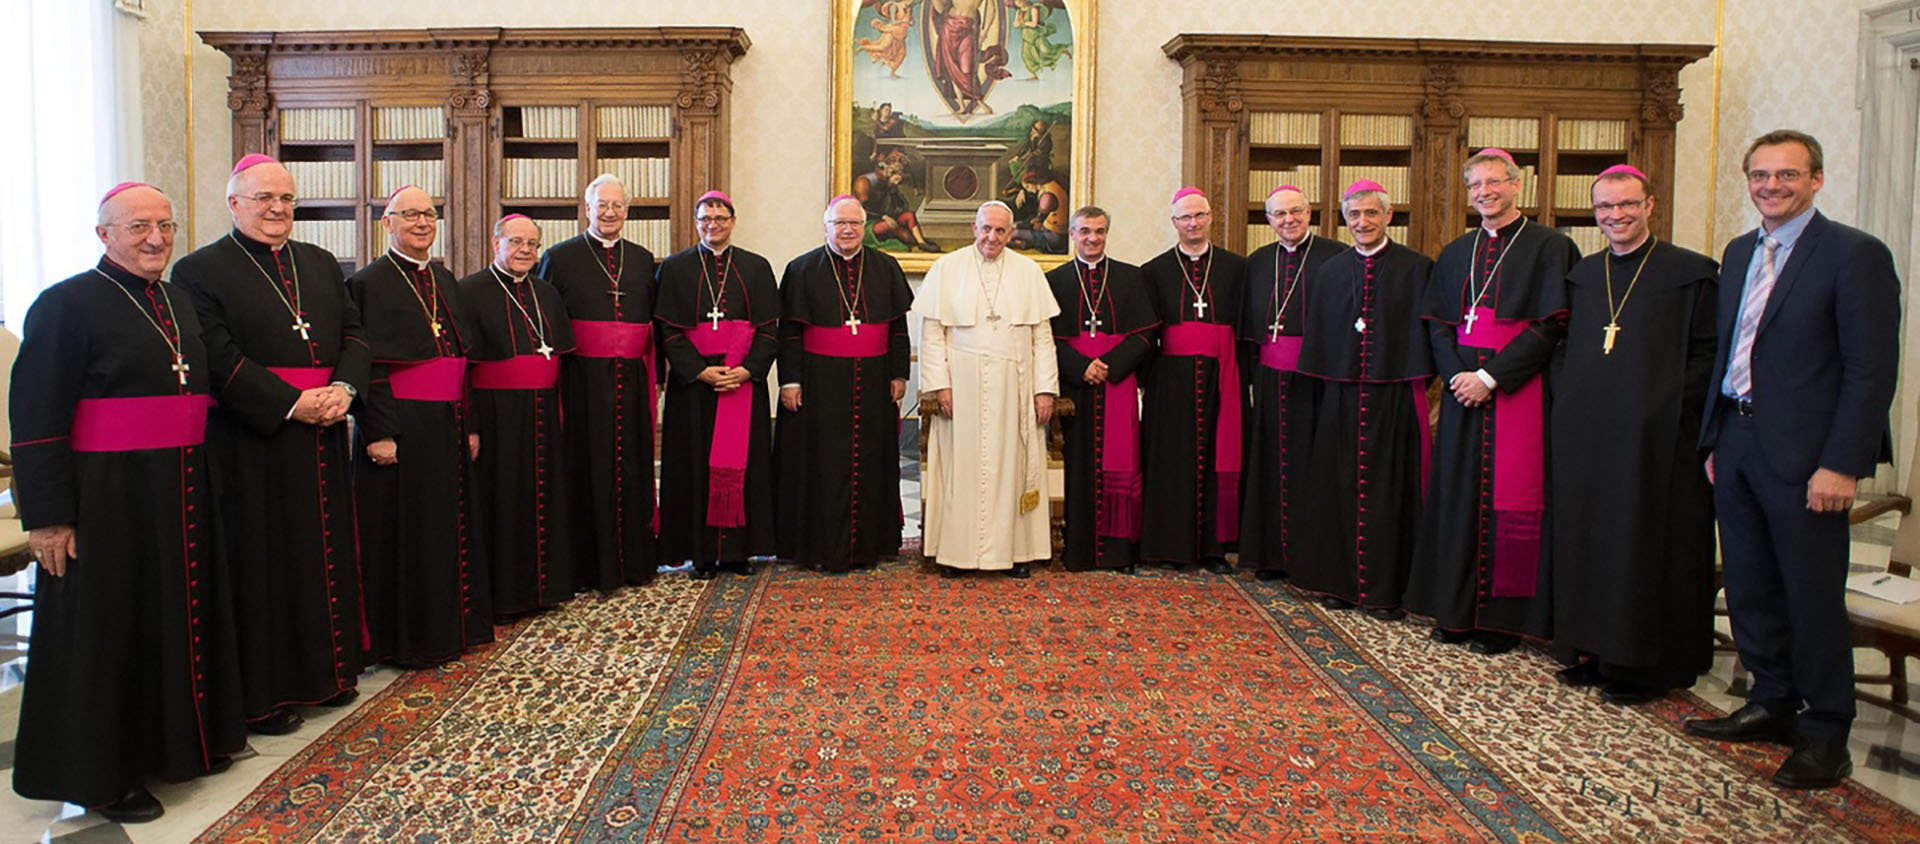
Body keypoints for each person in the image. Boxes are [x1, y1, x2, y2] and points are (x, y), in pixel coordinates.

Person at [9, 182, 245, 823]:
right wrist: (50, 516)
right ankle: (104, 777)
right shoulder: (64, 304)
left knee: (173, 614)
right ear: (104, 234)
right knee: (108, 629)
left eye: (164, 226)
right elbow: (35, 415)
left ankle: (179, 747)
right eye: (138, 226)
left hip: (178, 486)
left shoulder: (175, 300)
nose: (155, 238)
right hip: (107, 497)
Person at [1685, 130, 1901, 790]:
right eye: (1760, 175)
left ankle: (1826, 730)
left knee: (1810, 595)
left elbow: (1870, 370)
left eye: (1786, 175)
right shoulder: (1740, 249)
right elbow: (1732, 351)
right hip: (1739, 441)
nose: (1771, 186)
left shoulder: (1853, 255)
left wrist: (1842, 463)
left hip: (1810, 456)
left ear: (1817, 179)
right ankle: (1772, 701)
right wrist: (1717, 439)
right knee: (1750, 582)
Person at [172, 154, 370, 736]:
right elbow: (218, 355)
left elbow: (355, 333)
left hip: (325, 429)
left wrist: (344, 387)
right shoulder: (200, 271)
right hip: (252, 443)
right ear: (234, 204)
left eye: (285, 199)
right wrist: (290, 403)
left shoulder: (320, 262)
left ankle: (329, 674)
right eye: (264, 199)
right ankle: (269, 693)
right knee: (266, 564)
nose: (278, 209)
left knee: (323, 554)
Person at [1549, 165, 1719, 706]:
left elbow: (1709, 356)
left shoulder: (1691, 274)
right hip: (1589, 436)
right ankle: (1593, 650)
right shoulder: (1584, 275)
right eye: (1605, 208)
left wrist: (1658, 406)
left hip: (1656, 441)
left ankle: (1645, 666)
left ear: (1650, 205)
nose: (1616, 216)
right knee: (1590, 538)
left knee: (1644, 544)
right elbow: (1566, 350)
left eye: (1627, 205)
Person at [1407, 148, 1578, 654]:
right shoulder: (1457, 251)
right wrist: (1459, 375)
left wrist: (1490, 376)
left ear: (1517, 185)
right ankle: (1455, 611)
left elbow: (1550, 325)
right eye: (1476, 185)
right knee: (1458, 497)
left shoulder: (1550, 247)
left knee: (1514, 501)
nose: (1485, 192)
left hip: (1517, 392)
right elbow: (1439, 324)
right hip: (1463, 395)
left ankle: (1503, 621)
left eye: (1495, 183)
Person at [348, 185, 492, 667]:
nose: (422, 223)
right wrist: (379, 432)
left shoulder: (446, 279)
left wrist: (468, 424)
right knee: (406, 535)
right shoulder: (369, 283)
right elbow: (366, 365)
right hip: (402, 428)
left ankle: (450, 629)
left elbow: (460, 361)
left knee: (447, 530)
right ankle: (407, 641)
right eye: (409, 215)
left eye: (429, 214)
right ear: (386, 223)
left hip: (447, 424)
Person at [1290, 181, 1434, 617]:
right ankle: (1340, 584)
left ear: (1388, 216)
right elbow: (1321, 333)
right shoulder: (1331, 271)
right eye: (1354, 215)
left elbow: (1423, 334)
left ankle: (1387, 591)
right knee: (1337, 487)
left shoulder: (1415, 268)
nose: (1363, 223)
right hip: (1342, 394)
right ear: (1345, 219)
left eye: (1371, 214)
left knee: (1392, 491)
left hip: (1392, 395)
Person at [915, 200, 1060, 578]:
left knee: (1012, 465)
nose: (991, 237)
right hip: (960, 384)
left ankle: (1014, 554)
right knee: (960, 469)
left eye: (1000, 230)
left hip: (1016, 381)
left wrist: (1045, 389)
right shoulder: (947, 268)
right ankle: (955, 554)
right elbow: (932, 333)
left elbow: (1042, 337)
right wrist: (939, 386)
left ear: (1011, 233)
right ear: (974, 229)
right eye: (985, 229)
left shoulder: (1029, 272)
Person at [774, 195, 914, 572]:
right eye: (839, 224)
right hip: (819, 383)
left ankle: (870, 545)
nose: (848, 230)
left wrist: (900, 374)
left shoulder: (885, 267)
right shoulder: (802, 269)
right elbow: (788, 333)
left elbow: (898, 329)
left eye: (854, 223)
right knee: (822, 464)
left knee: (871, 461)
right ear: (826, 227)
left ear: (864, 226)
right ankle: (819, 547)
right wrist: (789, 381)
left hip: (873, 381)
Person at [536, 174, 660, 592]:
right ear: (586, 208)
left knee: (632, 464)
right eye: (601, 205)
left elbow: (653, 324)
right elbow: (545, 318)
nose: (609, 213)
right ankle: (589, 567)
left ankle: (636, 561)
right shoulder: (559, 257)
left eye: (617, 206)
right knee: (586, 464)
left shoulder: (643, 259)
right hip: (581, 381)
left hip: (631, 379)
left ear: (628, 210)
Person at [656, 191, 781, 579]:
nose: (713, 224)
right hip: (694, 388)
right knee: (694, 468)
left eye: (720, 218)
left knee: (745, 467)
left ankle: (737, 552)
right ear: (696, 223)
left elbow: (770, 330)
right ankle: (701, 553)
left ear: (733, 220)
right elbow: (668, 331)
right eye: (705, 218)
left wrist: (747, 370)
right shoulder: (675, 268)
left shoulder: (755, 267)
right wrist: (699, 371)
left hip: (742, 384)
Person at [458, 214, 577, 618]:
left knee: (545, 498)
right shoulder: (470, 292)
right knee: (502, 501)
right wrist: (470, 426)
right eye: (516, 242)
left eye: (532, 244)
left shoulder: (547, 293)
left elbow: (559, 356)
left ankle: (546, 589)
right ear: (496, 245)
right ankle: (505, 597)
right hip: (496, 417)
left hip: (543, 411)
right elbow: (463, 368)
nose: (525, 250)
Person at [1139, 187, 1247, 572]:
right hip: (1170, 381)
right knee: (1171, 460)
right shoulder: (1153, 271)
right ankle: (1169, 547)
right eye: (1185, 218)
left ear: (1211, 217)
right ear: (1174, 223)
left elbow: (1245, 327)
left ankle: (1214, 550)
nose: (1193, 224)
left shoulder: (1237, 268)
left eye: (1199, 216)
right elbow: (1146, 333)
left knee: (1220, 458)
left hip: (1222, 377)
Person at [1046, 206, 1157, 572]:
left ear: (1107, 233)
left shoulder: (1130, 277)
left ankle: (1119, 552)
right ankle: (1077, 551)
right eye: (1084, 231)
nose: (1092, 238)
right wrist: (1081, 367)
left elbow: (1145, 333)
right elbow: (1044, 336)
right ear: (1072, 235)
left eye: (1099, 231)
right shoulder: (1055, 279)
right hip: (1075, 386)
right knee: (1077, 465)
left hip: (1117, 384)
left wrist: (1109, 366)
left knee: (1121, 464)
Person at [1237, 186, 1338, 581]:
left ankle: (1311, 558)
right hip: (1268, 381)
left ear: (1309, 213)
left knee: (1313, 466)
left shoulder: (1334, 258)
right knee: (1269, 465)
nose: (1288, 220)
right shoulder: (1258, 262)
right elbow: (1248, 329)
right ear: (1269, 221)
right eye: (1279, 214)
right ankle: (1269, 557)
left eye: (1295, 212)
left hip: (1316, 380)